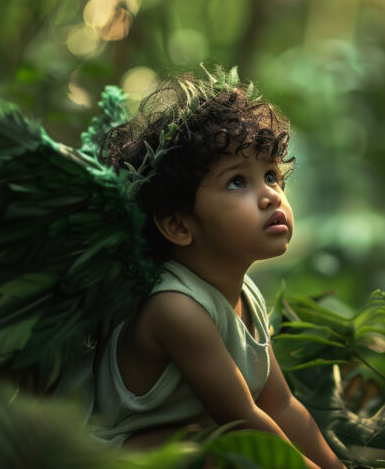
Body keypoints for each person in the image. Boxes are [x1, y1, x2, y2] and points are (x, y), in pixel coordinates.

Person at [91, 68, 344, 469]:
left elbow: (280, 405)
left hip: (182, 446)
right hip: (104, 457)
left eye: (272, 176)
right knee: (218, 447)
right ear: (178, 224)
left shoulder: (247, 297)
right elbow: (243, 421)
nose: (269, 197)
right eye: (237, 183)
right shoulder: (175, 308)